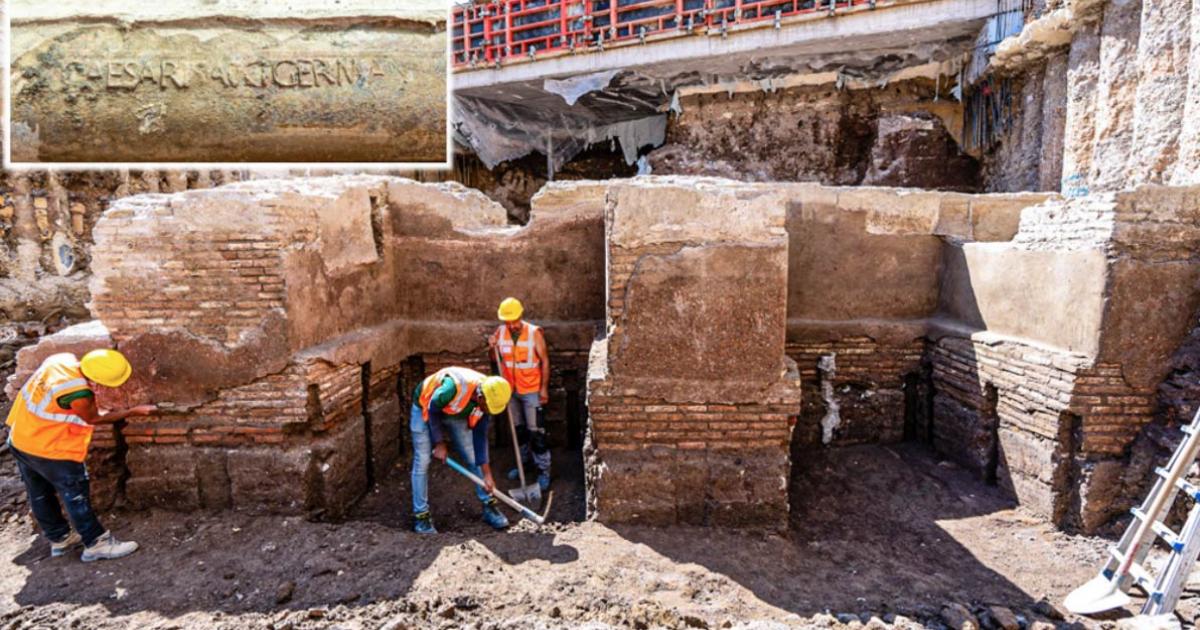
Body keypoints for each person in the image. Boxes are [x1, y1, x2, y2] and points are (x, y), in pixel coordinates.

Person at [5, 349, 156, 561]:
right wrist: (133, 411)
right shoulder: (78, 394)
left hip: (21, 438)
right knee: (75, 494)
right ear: (96, 380)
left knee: (39, 492)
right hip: (50, 448)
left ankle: (60, 538)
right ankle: (96, 543)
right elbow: (92, 417)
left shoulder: (60, 360)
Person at [410, 366, 512, 534]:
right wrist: (439, 443)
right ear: (480, 396)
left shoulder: (488, 400)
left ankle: (489, 506)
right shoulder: (452, 387)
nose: (487, 411)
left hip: (455, 410)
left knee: (472, 456)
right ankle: (421, 517)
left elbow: (480, 438)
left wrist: (487, 474)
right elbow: (433, 410)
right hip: (425, 406)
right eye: (486, 407)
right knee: (422, 460)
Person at [488, 297, 552, 492]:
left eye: (515, 320)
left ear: (520, 316)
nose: (512, 324)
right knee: (519, 432)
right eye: (508, 321)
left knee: (536, 432)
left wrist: (544, 388)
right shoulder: (500, 333)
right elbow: (496, 359)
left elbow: (545, 362)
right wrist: (492, 347)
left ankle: (543, 470)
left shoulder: (534, 333)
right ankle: (523, 465)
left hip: (531, 389)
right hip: (511, 391)